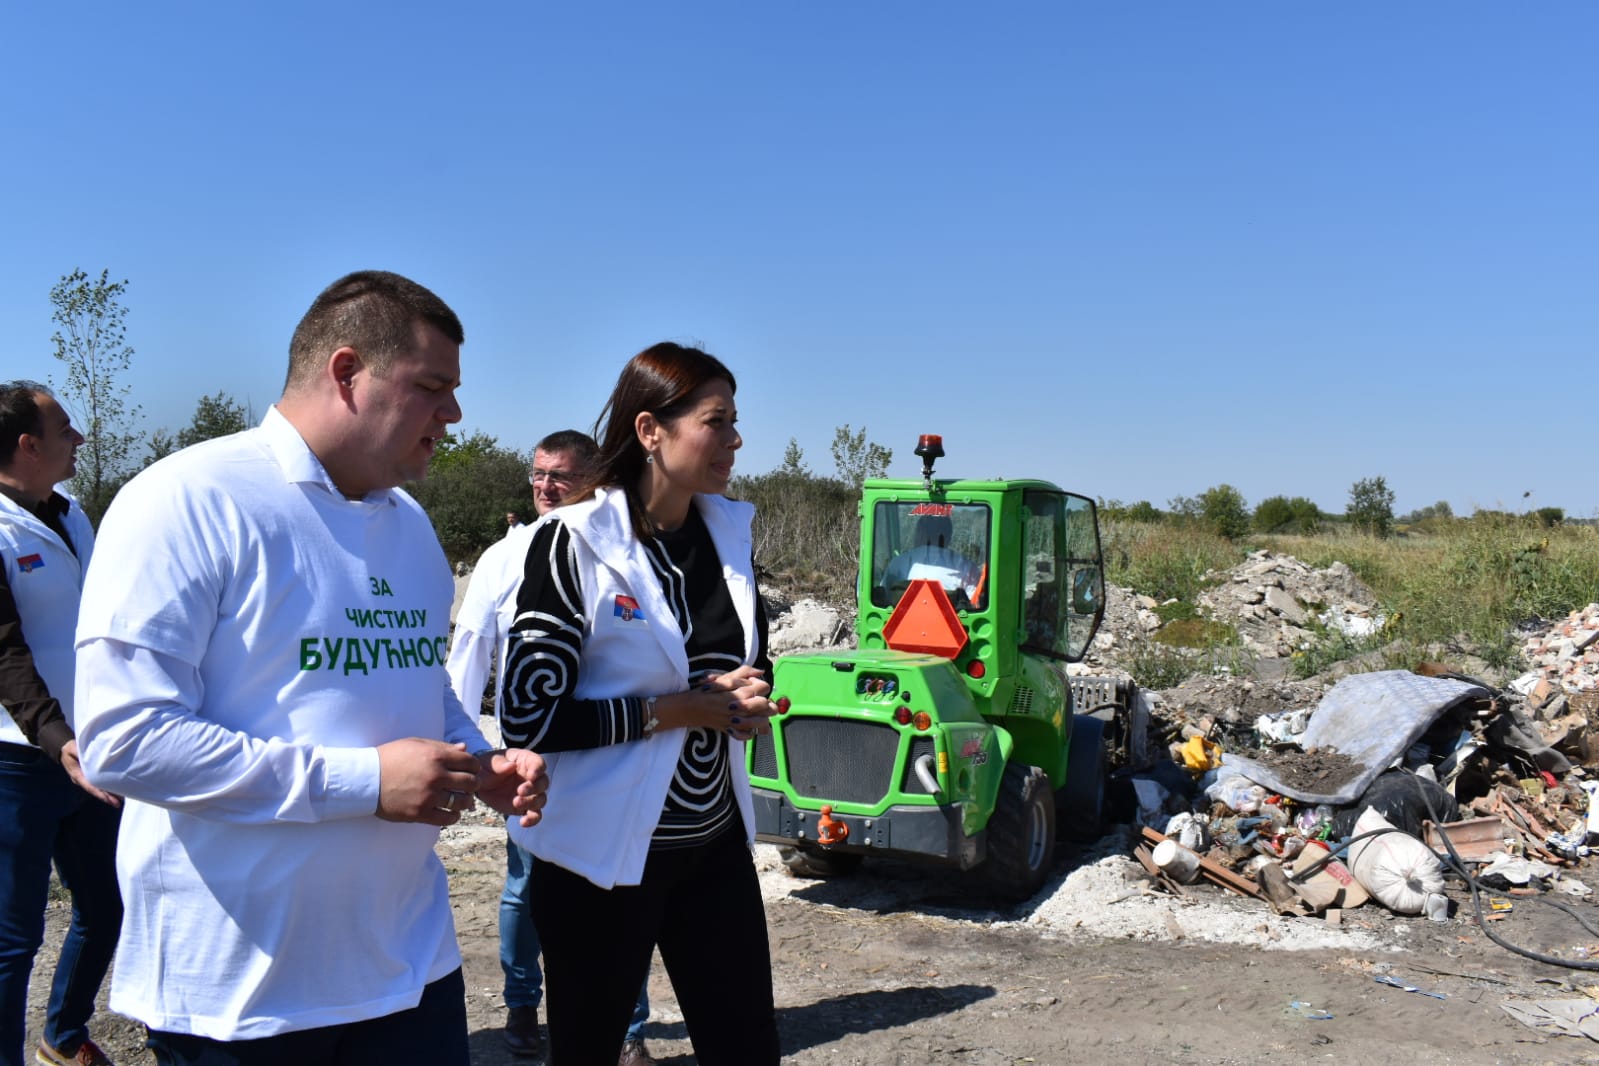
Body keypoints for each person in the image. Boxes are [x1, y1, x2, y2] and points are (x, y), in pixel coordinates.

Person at [72, 271, 548, 1066]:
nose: (454, 414)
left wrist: (479, 760)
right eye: (432, 386)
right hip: (243, 997)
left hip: (409, 970)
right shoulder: (189, 500)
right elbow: (124, 739)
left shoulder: (410, 527)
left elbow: (414, 680)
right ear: (346, 372)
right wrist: (364, 782)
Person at [500, 342, 781, 1065]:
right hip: (600, 861)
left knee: (747, 1048)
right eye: (716, 421)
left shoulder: (729, 539)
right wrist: (674, 711)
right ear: (651, 429)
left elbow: (748, 666)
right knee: (589, 1051)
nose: (734, 440)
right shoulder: (572, 544)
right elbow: (528, 716)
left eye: (734, 421)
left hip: (712, 846)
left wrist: (751, 701)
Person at [447, 429, 659, 1065]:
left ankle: (629, 1027)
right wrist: (463, 748)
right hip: (532, 753)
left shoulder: (625, 548)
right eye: (537, 475)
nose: (544, 487)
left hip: (613, 748)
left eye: (559, 477)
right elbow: (469, 653)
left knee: (621, 881)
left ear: (595, 478)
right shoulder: (504, 557)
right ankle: (521, 1007)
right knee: (524, 884)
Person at [0, 383, 121, 1066]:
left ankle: (64, 1033)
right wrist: (57, 739)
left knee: (106, 906)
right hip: (19, 758)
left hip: (91, 748)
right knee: (13, 937)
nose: (77, 439)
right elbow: (4, 653)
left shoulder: (74, 516)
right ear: (27, 445)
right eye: (65, 429)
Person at [882, 512, 984, 607]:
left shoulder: (898, 563)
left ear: (919, 533)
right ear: (948, 536)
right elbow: (974, 605)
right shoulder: (967, 567)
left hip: (902, 625)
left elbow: (884, 599)